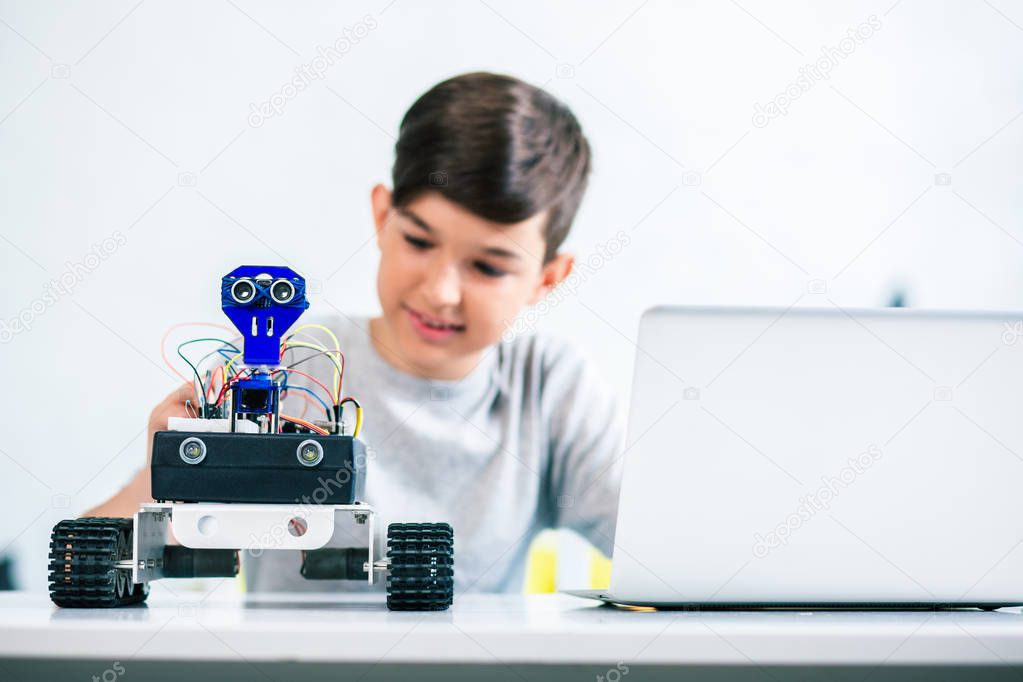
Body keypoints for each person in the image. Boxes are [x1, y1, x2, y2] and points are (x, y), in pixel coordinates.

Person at [86, 72, 625, 594]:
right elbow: (87, 560)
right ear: (382, 217)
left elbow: (672, 562)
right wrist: (170, 471)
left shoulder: (550, 389)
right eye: (418, 241)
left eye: (488, 267)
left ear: (547, 278)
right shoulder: (292, 364)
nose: (440, 291)